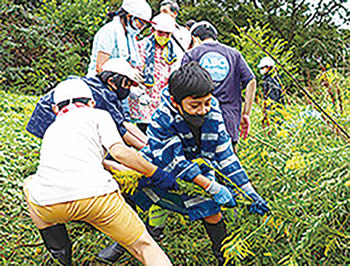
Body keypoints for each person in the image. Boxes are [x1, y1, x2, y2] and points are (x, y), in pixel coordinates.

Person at [99, 62, 269, 265]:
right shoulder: (162, 118)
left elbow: (224, 154)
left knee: (211, 209)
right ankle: (131, 240)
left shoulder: (212, 111)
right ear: (175, 101)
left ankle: (224, 257)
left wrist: (248, 190)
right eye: (195, 106)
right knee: (135, 193)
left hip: (197, 166)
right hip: (160, 168)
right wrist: (212, 186)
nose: (203, 110)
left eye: (206, 103)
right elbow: (174, 161)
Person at [23, 79, 175, 265]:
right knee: (145, 248)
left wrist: (135, 174)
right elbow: (119, 152)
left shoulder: (51, 129)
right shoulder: (98, 115)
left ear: (55, 110)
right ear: (91, 103)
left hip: (49, 205)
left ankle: (61, 256)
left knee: (30, 184)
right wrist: (156, 173)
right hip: (98, 200)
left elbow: (100, 162)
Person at [26, 58, 147, 150]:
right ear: (112, 81)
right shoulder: (99, 95)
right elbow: (121, 132)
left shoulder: (105, 89)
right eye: (127, 84)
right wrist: (146, 152)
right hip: (49, 117)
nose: (128, 89)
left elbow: (124, 123)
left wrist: (148, 143)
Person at [183, 21, 257, 152]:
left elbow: (182, 85)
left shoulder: (191, 54)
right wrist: (245, 114)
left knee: (201, 163)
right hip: (229, 117)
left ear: (194, 38)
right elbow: (251, 81)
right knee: (229, 163)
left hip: (200, 117)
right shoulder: (234, 54)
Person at [128, 13, 177, 132]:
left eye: (167, 34)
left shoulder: (172, 51)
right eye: (161, 33)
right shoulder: (141, 46)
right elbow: (133, 69)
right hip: (143, 97)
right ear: (153, 30)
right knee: (143, 133)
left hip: (161, 98)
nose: (164, 36)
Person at [159, 0, 191, 69]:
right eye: (160, 13)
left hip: (180, 74)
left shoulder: (185, 33)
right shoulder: (156, 32)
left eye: (165, 12)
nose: (162, 15)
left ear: (175, 13)